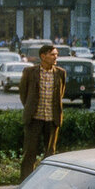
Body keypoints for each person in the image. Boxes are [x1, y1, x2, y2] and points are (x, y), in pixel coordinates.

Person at [18, 45, 67, 181]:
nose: (55, 57)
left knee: (50, 154)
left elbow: (60, 95)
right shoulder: (30, 72)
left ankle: (47, 182)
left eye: (56, 54)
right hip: (34, 119)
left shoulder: (60, 73)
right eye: (52, 54)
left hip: (52, 119)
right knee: (30, 153)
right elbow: (24, 94)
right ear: (43, 56)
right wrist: (30, 108)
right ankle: (25, 182)